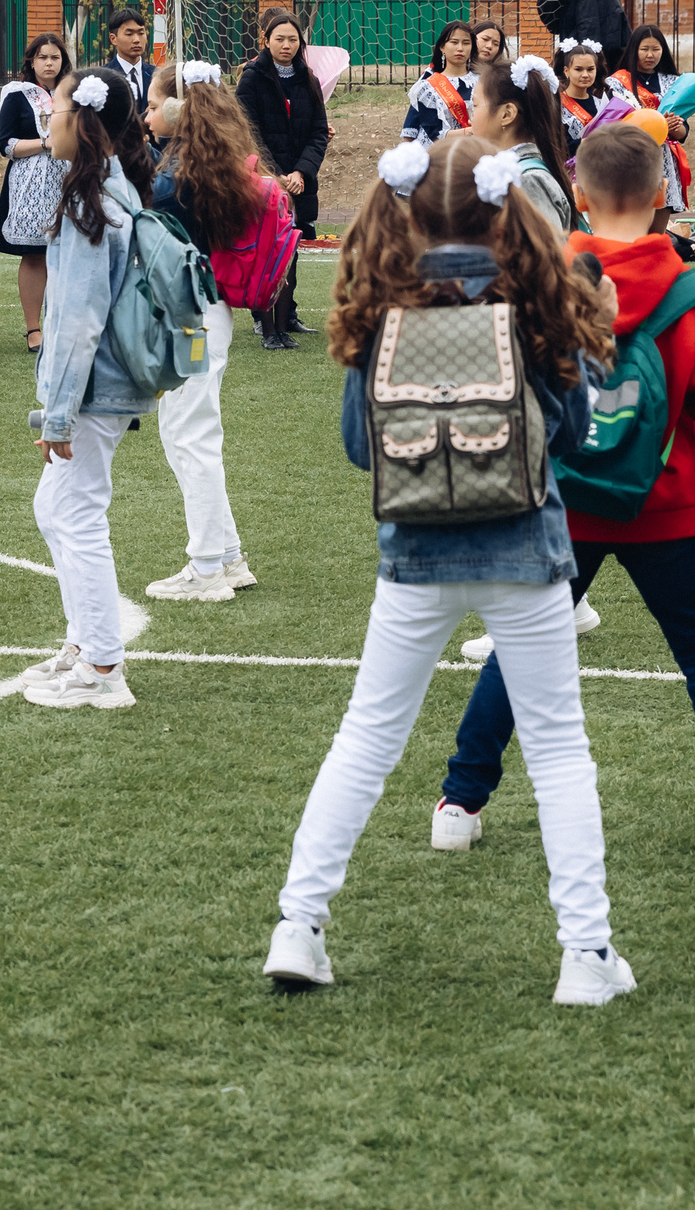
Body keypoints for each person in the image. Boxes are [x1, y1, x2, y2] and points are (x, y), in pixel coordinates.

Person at [260, 132, 629, 1005]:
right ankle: (586, 953)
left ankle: (298, 925)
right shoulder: (534, 299)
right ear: (509, 205)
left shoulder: (388, 308)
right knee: (558, 748)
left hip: (414, 556)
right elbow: (574, 437)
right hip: (526, 553)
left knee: (366, 740)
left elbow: (360, 448)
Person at [434, 125, 695, 856]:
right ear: (665, 198)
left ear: (577, 196)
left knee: (519, 649)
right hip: (660, 504)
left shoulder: (540, 279)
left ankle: (459, 802)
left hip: (561, 497)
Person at [18, 68, 158, 710]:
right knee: (58, 510)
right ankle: (83, 646)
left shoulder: (90, 202)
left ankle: (103, 668)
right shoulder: (114, 187)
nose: (48, 118)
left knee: (76, 515)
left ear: (85, 121)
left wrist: (59, 415)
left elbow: (76, 319)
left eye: (58, 108)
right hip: (109, 384)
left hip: (94, 388)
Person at [142, 67, 261, 602]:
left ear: (177, 110)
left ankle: (208, 565)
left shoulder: (176, 174)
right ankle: (227, 556)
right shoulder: (206, 160)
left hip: (191, 311)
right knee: (189, 430)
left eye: (153, 105)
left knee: (190, 434)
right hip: (206, 309)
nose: (147, 115)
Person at [235, 9, 328, 350]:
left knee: (291, 250)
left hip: (299, 181)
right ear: (266, 41)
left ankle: (287, 318)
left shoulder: (309, 79)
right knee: (265, 250)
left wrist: (302, 172)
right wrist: (274, 177)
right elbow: (247, 133)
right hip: (265, 180)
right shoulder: (252, 78)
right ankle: (266, 323)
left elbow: (319, 133)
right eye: (280, 39)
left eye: (293, 39)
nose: (287, 45)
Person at [0, 32, 67, 353]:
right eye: (42, 57)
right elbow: (5, 144)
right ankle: (34, 330)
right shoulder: (17, 96)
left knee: (68, 256)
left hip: (70, 180)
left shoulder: (73, 94)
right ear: (31, 62)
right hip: (30, 182)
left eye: (55, 57)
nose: (49, 63)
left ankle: (63, 326)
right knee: (35, 254)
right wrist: (45, 144)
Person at [467, 55, 576, 232]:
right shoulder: (512, 172)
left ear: (506, 114)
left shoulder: (528, 179)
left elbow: (546, 253)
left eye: (475, 105)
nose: (471, 117)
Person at [605, 26, 691, 223]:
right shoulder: (617, 83)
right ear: (634, 49)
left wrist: (672, 126)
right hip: (631, 158)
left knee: (658, 230)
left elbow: (683, 132)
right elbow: (612, 125)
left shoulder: (673, 82)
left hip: (664, 161)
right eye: (644, 49)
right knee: (633, 224)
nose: (650, 55)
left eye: (656, 49)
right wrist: (657, 123)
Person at [401, 22, 478, 144]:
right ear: (442, 46)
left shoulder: (482, 82)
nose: (460, 48)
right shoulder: (427, 87)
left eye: (466, 43)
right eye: (454, 42)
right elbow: (433, 132)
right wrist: (466, 133)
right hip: (438, 154)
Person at [557, 43, 602, 143]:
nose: (585, 75)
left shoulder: (600, 104)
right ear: (566, 71)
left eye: (590, 69)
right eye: (578, 69)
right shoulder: (557, 105)